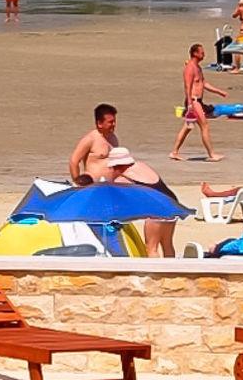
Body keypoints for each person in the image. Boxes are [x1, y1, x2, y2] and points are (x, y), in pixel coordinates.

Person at [68, 103, 182, 257]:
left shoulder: (114, 139)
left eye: (114, 121)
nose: (113, 125)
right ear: (99, 123)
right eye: (110, 122)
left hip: (113, 190)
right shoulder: (90, 139)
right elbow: (74, 161)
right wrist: (77, 184)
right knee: (166, 245)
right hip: (93, 185)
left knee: (154, 247)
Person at [170, 42, 226, 162]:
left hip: (198, 101)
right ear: (195, 53)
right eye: (202, 52)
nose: (204, 54)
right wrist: (190, 104)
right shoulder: (190, 68)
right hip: (194, 101)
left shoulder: (197, 67)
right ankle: (211, 154)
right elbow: (187, 86)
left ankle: (174, 152)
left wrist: (219, 92)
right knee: (204, 125)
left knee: (187, 127)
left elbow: (203, 83)